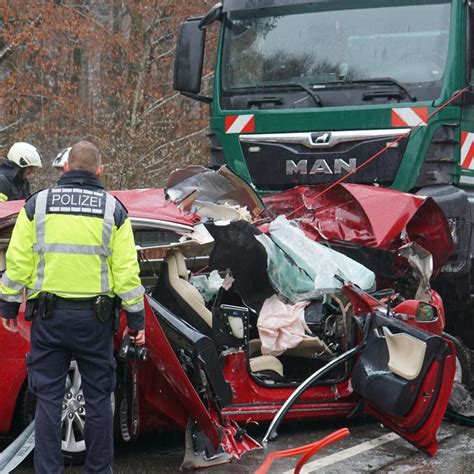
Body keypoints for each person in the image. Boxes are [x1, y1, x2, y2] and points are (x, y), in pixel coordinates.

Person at [0, 141, 145, 474]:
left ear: (64, 168)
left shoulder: (37, 205)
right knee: (98, 400)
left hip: (49, 321)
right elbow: (126, 274)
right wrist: (136, 319)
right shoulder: (114, 210)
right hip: (95, 322)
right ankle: (98, 470)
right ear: (99, 172)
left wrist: (8, 308)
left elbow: (18, 263)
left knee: (48, 400)